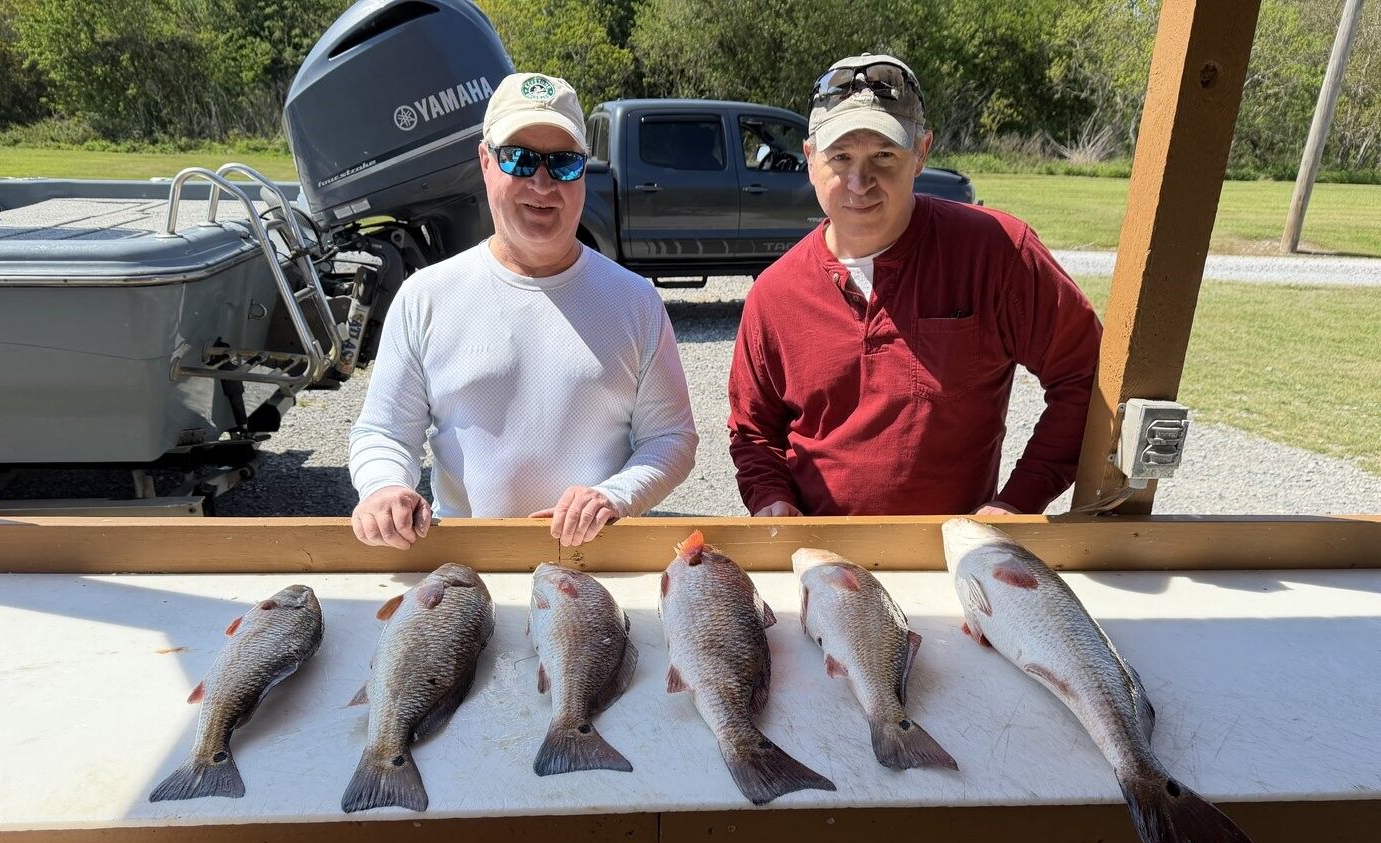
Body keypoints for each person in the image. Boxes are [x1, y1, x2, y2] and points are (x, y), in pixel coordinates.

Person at [728, 54, 1102, 517]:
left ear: (922, 152)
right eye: (840, 157)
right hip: (819, 558)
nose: (859, 182)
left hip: (953, 553)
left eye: (883, 155)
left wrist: (1017, 502)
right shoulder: (775, 292)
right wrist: (772, 501)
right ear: (809, 159)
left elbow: (1085, 375)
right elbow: (753, 431)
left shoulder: (998, 251)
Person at [350, 72, 698, 549]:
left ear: (584, 170)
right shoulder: (426, 296)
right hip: (466, 571)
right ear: (485, 162)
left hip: (594, 568)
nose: (542, 182)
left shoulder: (634, 300)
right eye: (519, 158)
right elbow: (384, 432)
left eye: (563, 163)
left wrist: (613, 496)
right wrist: (385, 487)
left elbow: (673, 438)